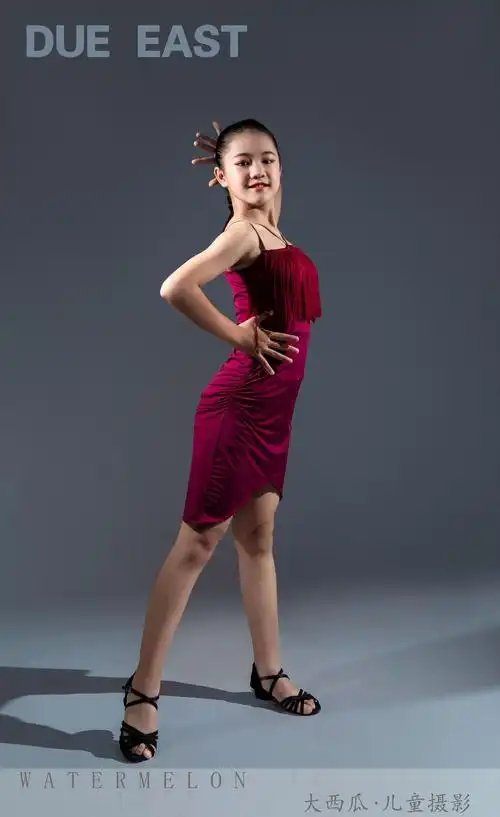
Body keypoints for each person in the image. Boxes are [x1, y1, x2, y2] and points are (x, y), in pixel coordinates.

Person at [119, 118, 323, 763]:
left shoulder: (274, 232)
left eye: (267, 159)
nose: (257, 170)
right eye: (243, 162)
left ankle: (268, 672)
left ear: (281, 167)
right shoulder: (241, 233)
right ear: (221, 176)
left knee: (259, 540)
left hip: (274, 413)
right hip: (238, 407)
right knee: (197, 545)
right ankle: (141, 692)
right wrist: (238, 336)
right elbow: (175, 287)